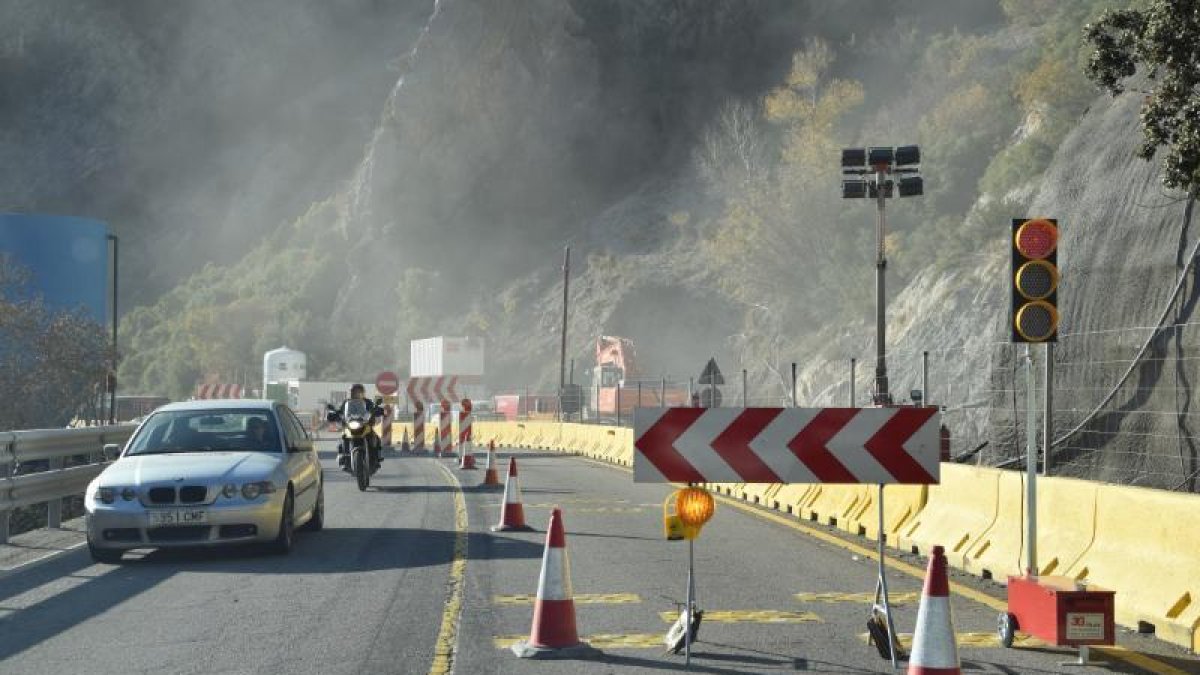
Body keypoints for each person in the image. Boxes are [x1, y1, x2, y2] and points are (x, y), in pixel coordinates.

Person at [337, 384, 383, 470]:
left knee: (376, 437)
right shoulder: (346, 402)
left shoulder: (368, 402)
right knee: (342, 437)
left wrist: (378, 410)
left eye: (358, 392)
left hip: (365, 424)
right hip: (350, 425)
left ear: (362, 393)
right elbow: (340, 412)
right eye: (354, 392)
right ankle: (342, 457)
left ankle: (377, 457)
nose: (356, 393)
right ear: (350, 393)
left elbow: (375, 409)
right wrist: (336, 414)